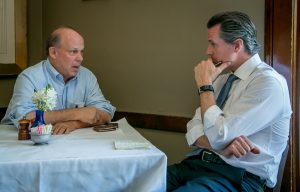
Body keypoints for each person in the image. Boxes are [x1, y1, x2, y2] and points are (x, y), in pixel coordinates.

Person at [167, 11, 292, 191]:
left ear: (237, 45)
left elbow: (219, 134)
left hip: (239, 177)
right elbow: (192, 129)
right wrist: (220, 148)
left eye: (213, 44)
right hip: (197, 165)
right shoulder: (220, 81)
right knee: (140, 182)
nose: (207, 51)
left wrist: (204, 87)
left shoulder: (269, 83)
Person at [1, 26, 116, 134]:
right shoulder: (29, 77)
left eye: (82, 52)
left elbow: (106, 113)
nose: (80, 58)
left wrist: (74, 124)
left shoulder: (87, 76)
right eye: (73, 51)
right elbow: (24, 119)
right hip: (18, 142)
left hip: (67, 143)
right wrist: (76, 113)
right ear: (53, 52)